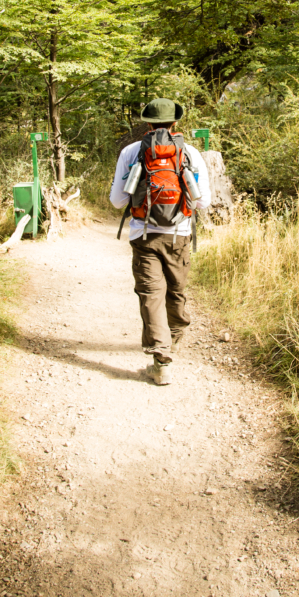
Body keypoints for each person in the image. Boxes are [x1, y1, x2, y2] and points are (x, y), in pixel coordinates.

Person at [110, 98, 211, 385]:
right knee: (176, 290)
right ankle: (174, 338)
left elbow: (118, 201)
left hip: (143, 235)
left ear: (148, 123)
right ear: (175, 123)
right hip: (179, 235)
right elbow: (204, 201)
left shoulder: (131, 152)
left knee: (151, 295)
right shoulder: (190, 153)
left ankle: (161, 361)